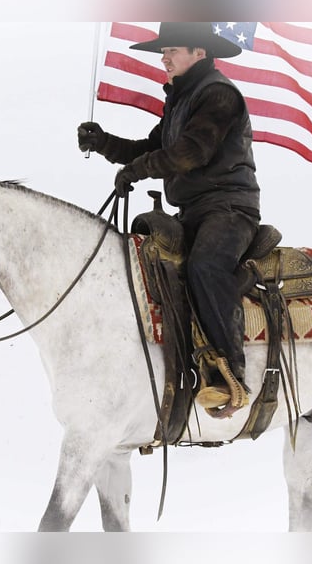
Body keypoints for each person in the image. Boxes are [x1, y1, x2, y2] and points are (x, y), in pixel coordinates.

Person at [78, 22, 260, 411]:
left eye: (171, 50)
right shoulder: (182, 98)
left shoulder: (217, 94)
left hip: (228, 208)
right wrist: (104, 142)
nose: (163, 58)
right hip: (194, 210)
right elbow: (152, 147)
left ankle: (231, 377)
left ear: (199, 52)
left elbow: (190, 153)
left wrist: (138, 169)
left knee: (205, 266)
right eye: (163, 52)